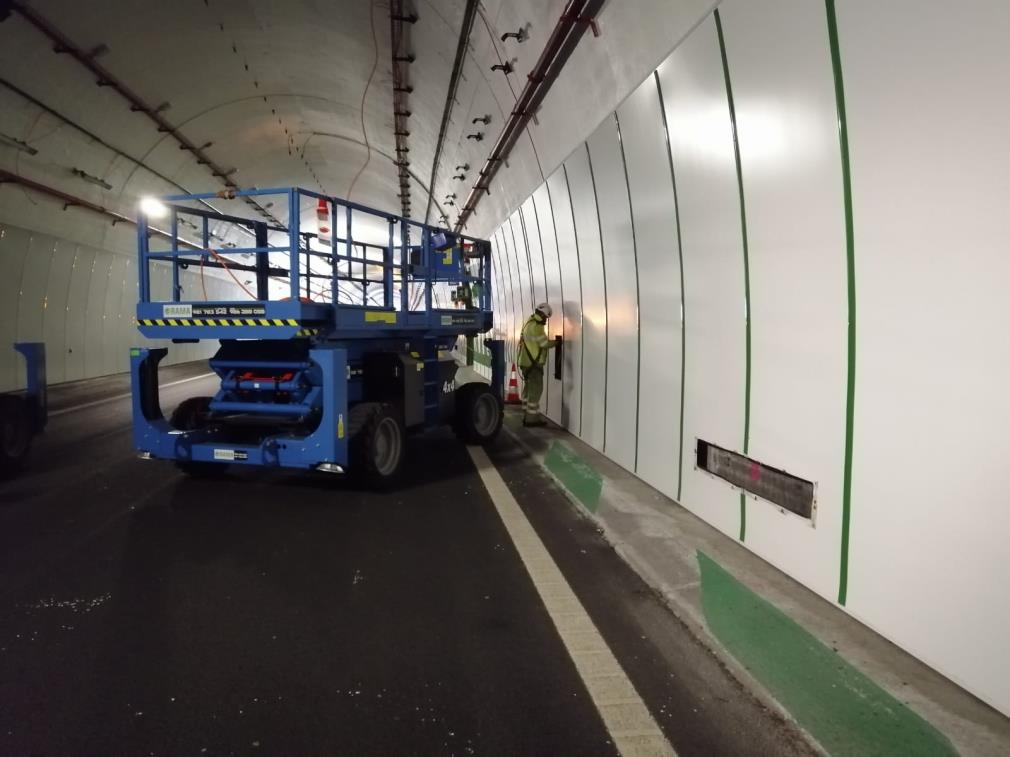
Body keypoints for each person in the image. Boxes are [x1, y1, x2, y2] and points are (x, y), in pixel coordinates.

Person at [517, 303, 557, 426]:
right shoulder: (537, 327)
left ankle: (526, 414)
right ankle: (531, 419)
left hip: (524, 362)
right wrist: (557, 342)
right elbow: (544, 343)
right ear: (542, 314)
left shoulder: (528, 323)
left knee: (528, 389)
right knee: (536, 390)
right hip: (533, 364)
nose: (546, 320)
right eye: (546, 317)